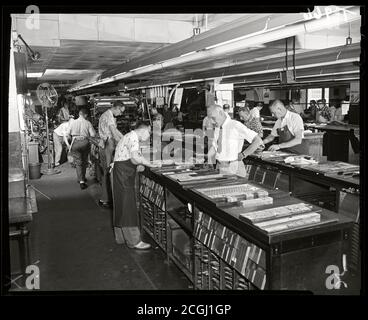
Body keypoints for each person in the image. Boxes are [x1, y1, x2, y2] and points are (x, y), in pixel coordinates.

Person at [112, 121, 158, 249]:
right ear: (144, 130)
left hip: (121, 172)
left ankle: (121, 237)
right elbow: (135, 158)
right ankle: (134, 241)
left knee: (121, 205)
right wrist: (151, 164)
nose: (148, 136)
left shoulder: (128, 136)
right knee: (128, 206)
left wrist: (138, 164)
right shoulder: (133, 137)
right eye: (149, 132)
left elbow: (131, 159)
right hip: (123, 175)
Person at [206, 104, 263, 175]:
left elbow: (257, 140)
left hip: (233, 166)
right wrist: (207, 159)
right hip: (220, 165)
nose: (212, 122)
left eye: (213, 118)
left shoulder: (235, 125)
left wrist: (243, 155)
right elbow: (215, 147)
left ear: (220, 113)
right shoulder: (218, 128)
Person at [98, 101, 125, 207]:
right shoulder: (108, 116)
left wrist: (125, 138)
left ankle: (107, 198)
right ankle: (105, 199)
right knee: (108, 172)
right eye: (121, 111)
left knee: (108, 172)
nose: (121, 114)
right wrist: (124, 143)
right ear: (117, 108)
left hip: (107, 144)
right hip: (107, 145)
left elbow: (116, 130)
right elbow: (113, 134)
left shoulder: (109, 115)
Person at [65, 108, 96, 189]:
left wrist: (69, 143)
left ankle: (81, 180)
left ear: (79, 114)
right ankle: (83, 178)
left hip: (75, 142)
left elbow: (67, 134)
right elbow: (93, 134)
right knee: (84, 161)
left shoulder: (72, 122)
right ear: (85, 115)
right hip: (85, 142)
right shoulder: (88, 123)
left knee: (78, 162)